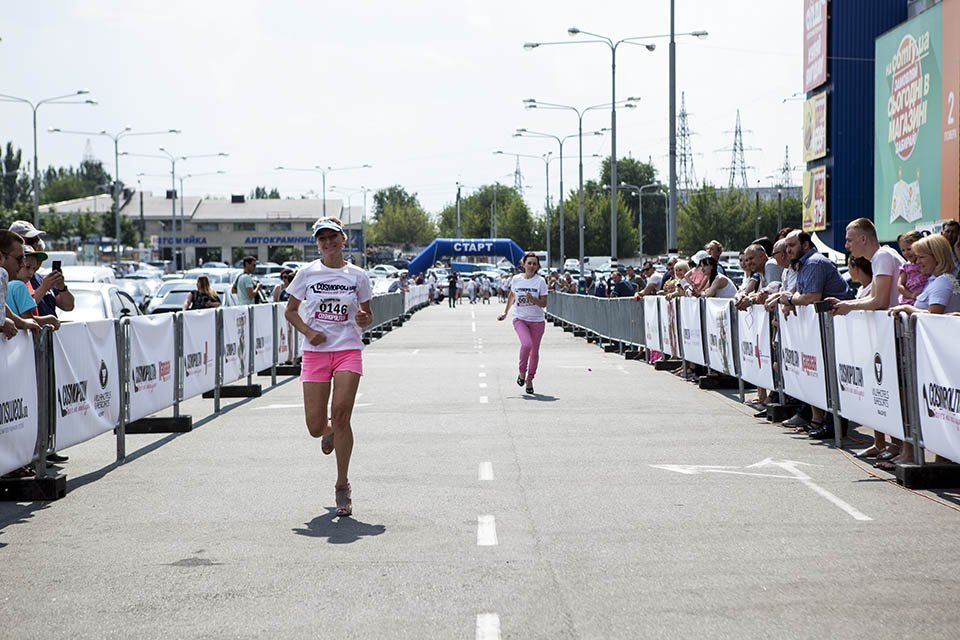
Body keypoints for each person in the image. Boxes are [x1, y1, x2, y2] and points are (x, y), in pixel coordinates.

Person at [283, 216, 373, 518]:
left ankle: (342, 484)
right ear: (317, 244)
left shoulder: (358, 275)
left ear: (343, 239)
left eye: (333, 237)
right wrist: (309, 332)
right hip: (316, 351)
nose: (328, 243)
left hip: (348, 348)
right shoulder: (307, 273)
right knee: (314, 426)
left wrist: (363, 318)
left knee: (343, 415)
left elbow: (366, 314)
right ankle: (329, 431)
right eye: (322, 239)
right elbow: (291, 311)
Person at [498, 252, 547, 395]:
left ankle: (530, 379)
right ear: (523, 264)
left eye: (534, 264)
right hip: (520, 318)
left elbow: (544, 304)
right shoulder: (516, 279)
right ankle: (521, 372)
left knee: (534, 352)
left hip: (537, 321)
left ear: (537, 266)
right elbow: (512, 295)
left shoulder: (540, 281)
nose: (531, 266)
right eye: (529, 263)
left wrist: (533, 300)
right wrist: (505, 312)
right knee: (526, 344)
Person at [9, 220, 74, 316]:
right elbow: (21, 314)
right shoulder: (9, 281)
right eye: (31, 241)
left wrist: (61, 287)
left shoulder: (40, 278)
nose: (36, 244)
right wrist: (44, 288)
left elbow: (68, 306)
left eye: (37, 239)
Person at [9, 246, 61, 330]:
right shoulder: (19, 286)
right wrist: (51, 319)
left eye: (34, 268)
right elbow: (28, 320)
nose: (31, 272)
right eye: (27, 267)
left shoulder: (6, 285)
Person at [897, 231, 926, 305]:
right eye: (903, 250)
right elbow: (900, 285)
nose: (906, 253)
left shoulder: (926, 264)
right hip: (909, 300)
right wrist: (911, 295)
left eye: (909, 249)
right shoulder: (906, 267)